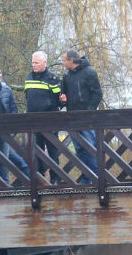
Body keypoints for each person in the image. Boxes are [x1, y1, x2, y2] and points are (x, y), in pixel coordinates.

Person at [60, 50, 103, 185]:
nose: (63, 62)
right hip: (72, 118)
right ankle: (86, 177)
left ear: (71, 60)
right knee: (79, 149)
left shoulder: (89, 72)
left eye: (64, 60)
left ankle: (96, 178)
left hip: (87, 119)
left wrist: (89, 111)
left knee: (90, 147)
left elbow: (97, 93)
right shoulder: (66, 75)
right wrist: (63, 100)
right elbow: (63, 96)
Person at [24, 51, 64, 184]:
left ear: (44, 63)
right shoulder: (29, 77)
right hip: (33, 121)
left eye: (36, 63)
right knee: (37, 150)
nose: (34, 65)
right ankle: (40, 178)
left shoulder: (53, 78)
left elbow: (59, 100)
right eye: (33, 62)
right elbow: (28, 97)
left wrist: (52, 105)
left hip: (50, 120)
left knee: (52, 149)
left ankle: (55, 178)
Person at [0, 65, 30, 184]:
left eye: (0, 73)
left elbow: (13, 110)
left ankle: (4, 185)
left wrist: (12, 128)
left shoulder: (6, 90)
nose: (0, 75)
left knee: (4, 160)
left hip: (5, 131)